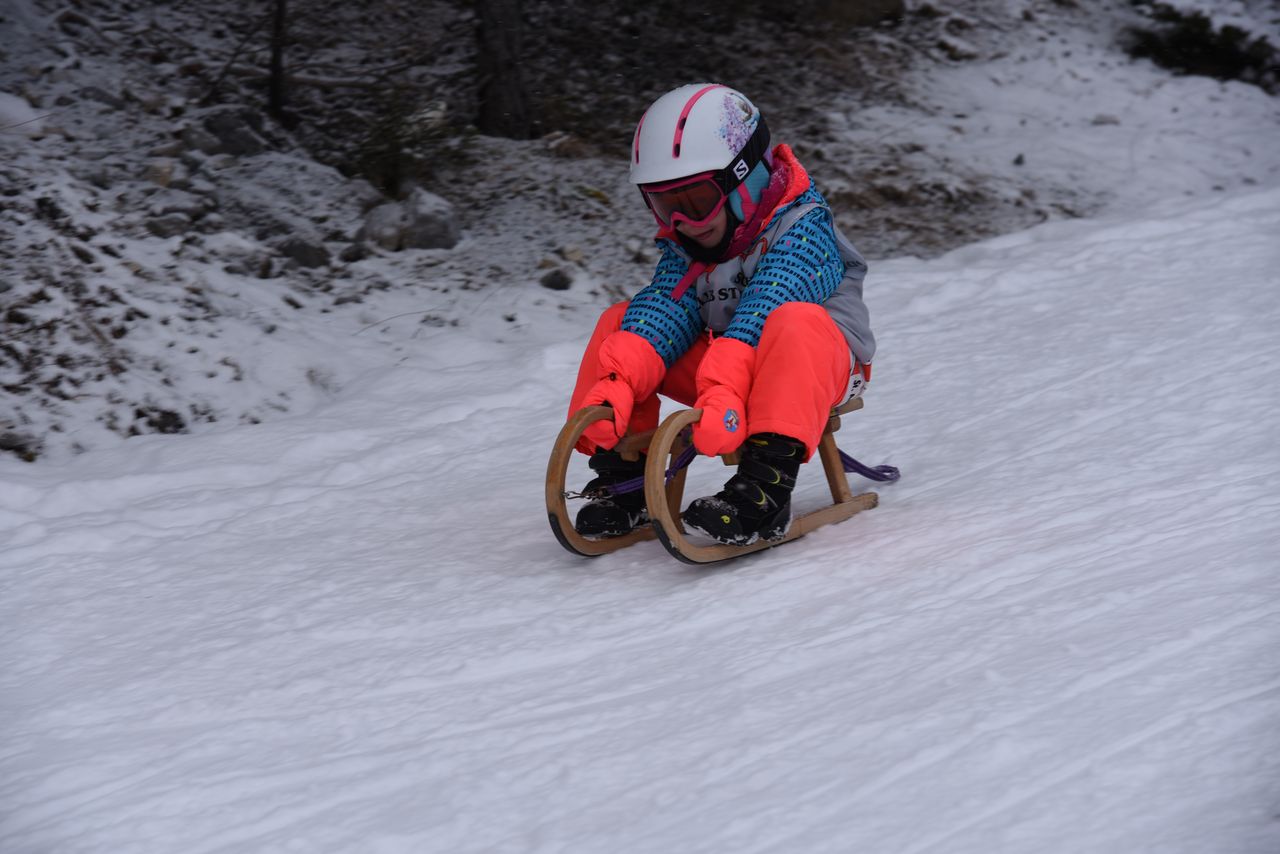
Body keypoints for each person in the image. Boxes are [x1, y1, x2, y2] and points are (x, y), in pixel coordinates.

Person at [567, 83, 875, 546]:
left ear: (745, 179)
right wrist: (619, 383)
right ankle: (624, 478)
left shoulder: (802, 228)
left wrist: (728, 385)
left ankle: (764, 489)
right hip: (724, 373)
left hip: (816, 370)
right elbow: (668, 308)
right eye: (665, 206)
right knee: (623, 323)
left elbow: (765, 307)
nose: (682, 223)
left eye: (695, 202)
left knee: (794, 322)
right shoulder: (691, 242)